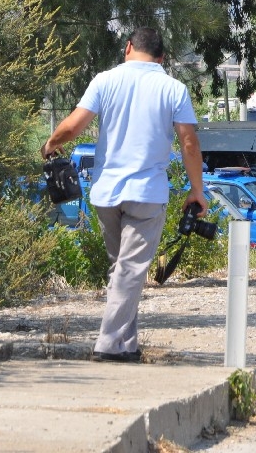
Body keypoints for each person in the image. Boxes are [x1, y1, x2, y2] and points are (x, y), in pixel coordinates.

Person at [41, 28, 205, 363]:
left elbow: (73, 126)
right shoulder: (174, 89)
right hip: (146, 192)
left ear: (128, 48)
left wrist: (50, 145)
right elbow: (189, 143)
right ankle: (107, 343)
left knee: (122, 268)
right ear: (162, 58)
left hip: (106, 194)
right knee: (129, 270)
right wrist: (197, 190)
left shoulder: (104, 80)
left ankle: (126, 346)